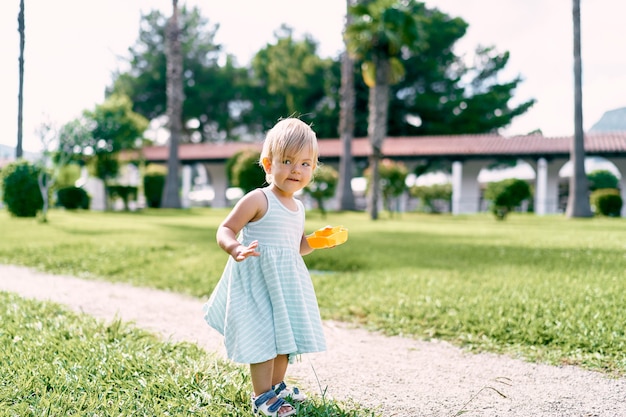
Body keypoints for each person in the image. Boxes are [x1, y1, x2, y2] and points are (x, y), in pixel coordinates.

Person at [203, 118, 329, 417]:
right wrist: (235, 248)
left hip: (285, 283)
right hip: (256, 281)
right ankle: (261, 396)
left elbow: (294, 247)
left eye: (305, 164)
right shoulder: (259, 199)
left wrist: (316, 241)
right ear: (268, 163)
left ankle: (277, 385)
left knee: (285, 337)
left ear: (313, 168)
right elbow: (225, 229)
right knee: (263, 337)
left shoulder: (298, 207)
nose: (296, 170)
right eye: (287, 161)